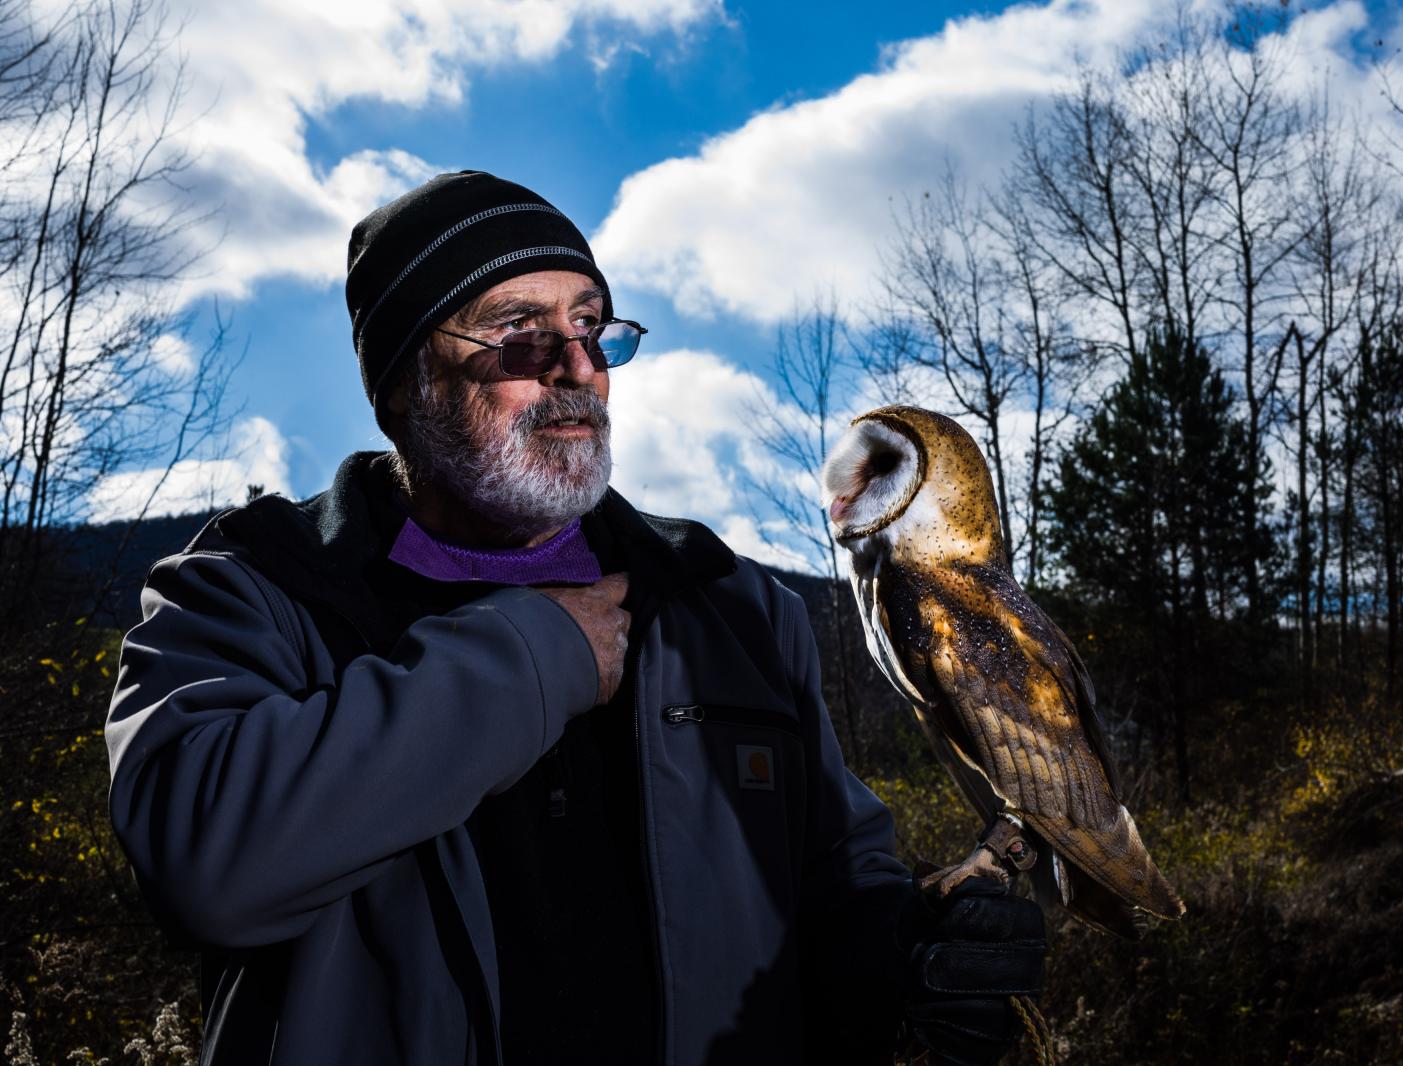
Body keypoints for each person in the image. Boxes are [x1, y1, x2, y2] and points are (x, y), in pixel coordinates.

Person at [105, 170, 1044, 1065]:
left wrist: (907, 969)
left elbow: (836, 886)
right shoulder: (254, 588)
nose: (578, 367)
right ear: (404, 385)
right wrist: (533, 656)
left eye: (592, 327)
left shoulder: (728, 604)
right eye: (519, 332)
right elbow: (207, 863)